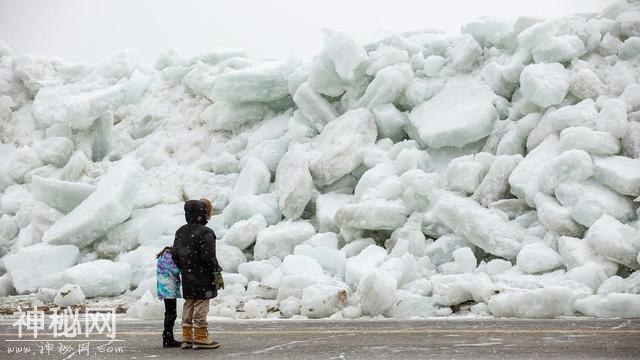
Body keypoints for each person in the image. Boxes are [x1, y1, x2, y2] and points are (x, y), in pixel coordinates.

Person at [171, 199, 222, 350]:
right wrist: (217, 272)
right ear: (203, 213)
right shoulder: (206, 232)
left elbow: (175, 254)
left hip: (187, 274)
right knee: (201, 303)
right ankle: (200, 337)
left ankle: (187, 337)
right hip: (203, 275)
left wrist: (184, 267)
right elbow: (209, 256)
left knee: (189, 302)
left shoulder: (180, 231)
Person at [155, 246, 182, 348]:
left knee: (170, 313)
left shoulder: (165, 255)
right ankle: (167, 339)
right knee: (170, 314)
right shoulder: (167, 256)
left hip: (166, 288)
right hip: (167, 288)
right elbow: (175, 270)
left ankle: (168, 337)